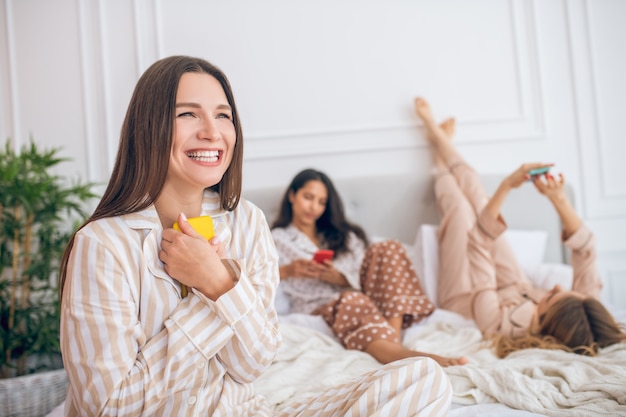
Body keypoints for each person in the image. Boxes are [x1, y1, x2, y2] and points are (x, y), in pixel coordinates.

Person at [57, 55, 453, 417]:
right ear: (149, 126)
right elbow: (108, 407)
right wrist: (209, 292)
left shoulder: (247, 221)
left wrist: (220, 282)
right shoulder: (103, 244)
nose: (213, 132)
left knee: (423, 378)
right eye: (188, 115)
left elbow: (253, 363)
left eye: (223, 116)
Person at [413, 96, 626, 357]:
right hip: (513, 282)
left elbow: (477, 244)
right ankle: (440, 139)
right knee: (480, 202)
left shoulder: (504, 328)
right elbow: (585, 251)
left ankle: (437, 151)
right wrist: (558, 199)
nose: (557, 287)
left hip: (466, 295)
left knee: (460, 209)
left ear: (546, 321)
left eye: (550, 298)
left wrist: (506, 187)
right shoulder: (582, 315)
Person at [271, 168, 468, 367]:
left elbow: (366, 273)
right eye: (308, 197)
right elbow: (256, 276)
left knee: (388, 248)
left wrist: (339, 278)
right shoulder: (276, 239)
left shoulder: (344, 236)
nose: (313, 207)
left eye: (321, 202)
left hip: (368, 299)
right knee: (351, 299)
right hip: (322, 306)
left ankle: (392, 341)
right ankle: (399, 353)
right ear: (292, 195)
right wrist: (288, 271)